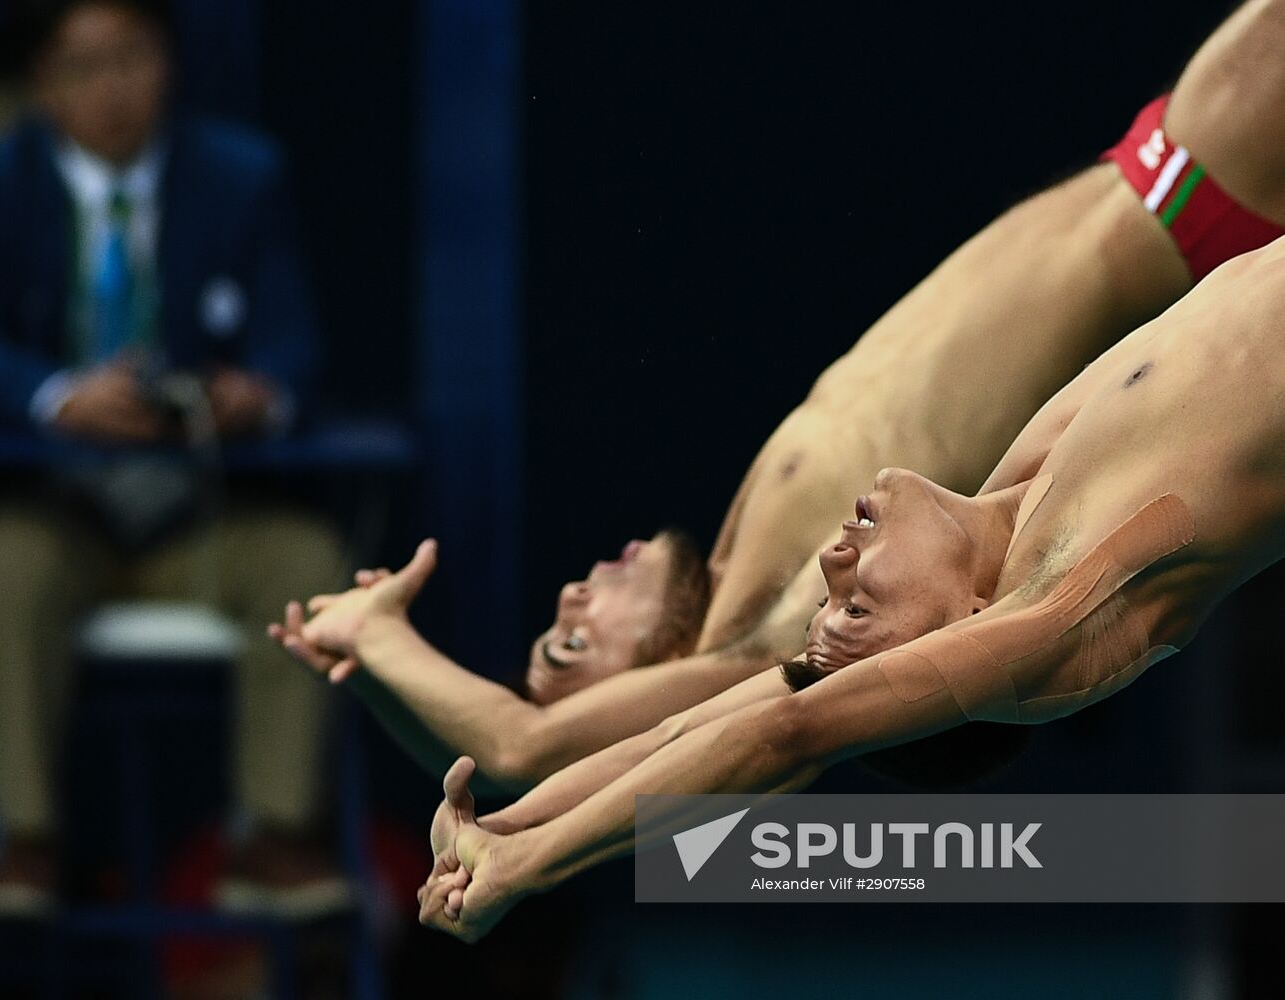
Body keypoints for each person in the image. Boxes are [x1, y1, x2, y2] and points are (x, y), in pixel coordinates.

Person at [275, 0, 1285, 795]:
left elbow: (505, 759)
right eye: (575, 640)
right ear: (643, 691)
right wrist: (377, 638)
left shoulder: (746, 563)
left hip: (1171, 174)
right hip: (1198, 194)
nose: (575, 591)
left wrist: (371, 665)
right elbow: (517, 748)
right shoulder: (778, 633)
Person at [418, 224, 1285, 941]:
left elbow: (696, 723)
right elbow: (787, 733)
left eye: (834, 600)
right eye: (858, 604)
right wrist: (528, 870)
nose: (832, 563)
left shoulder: (1020, 502)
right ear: (963, 630)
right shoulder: (1062, 616)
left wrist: (509, 825)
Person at [0, 0, 345, 918]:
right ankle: (23, 843)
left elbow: (294, 351)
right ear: (40, 83)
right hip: (53, 509)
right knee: (6, 565)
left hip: (198, 513)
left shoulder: (241, 176)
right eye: (83, 65)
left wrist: (252, 396)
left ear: (169, 62)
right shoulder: (5, 180)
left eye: (134, 57)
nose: (113, 86)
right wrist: (56, 397)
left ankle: (271, 838)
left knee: (306, 562)